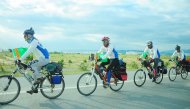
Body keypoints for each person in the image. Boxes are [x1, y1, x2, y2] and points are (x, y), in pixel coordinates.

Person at [20, 27, 50, 94]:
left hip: (45, 59)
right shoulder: (33, 42)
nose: (24, 37)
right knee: (34, 73)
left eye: (25, 36)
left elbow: (29, 51)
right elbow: (26, 50)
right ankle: (34, 88)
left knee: (32, 66)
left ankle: (40, 78)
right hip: (41, 59)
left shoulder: (34, 42)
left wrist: (20, 59)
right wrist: (18, 56)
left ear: (29, 35)